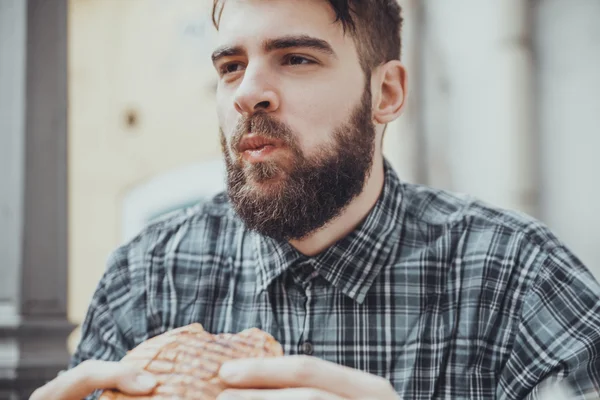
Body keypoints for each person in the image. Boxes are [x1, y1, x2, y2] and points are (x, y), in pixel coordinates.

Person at [31, 0, 600, 399]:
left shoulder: (516, 275)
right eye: (231, 66)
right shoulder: (147, 277)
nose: (248, 92)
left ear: (386, 92)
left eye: (296, 58)